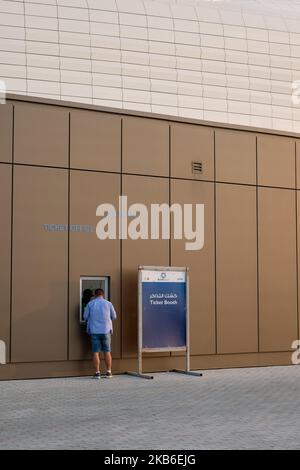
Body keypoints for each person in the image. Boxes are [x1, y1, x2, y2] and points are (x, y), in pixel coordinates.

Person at [83, 288, 117, 379]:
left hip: (94, 330)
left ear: (94, 295)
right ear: (103, 294)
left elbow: (85, 317)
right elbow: (114, 316)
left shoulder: (90, 304)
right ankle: (109, 372)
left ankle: (97, 373)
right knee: (107, 351)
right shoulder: (108, 304)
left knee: (95, 352)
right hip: (106, 330)